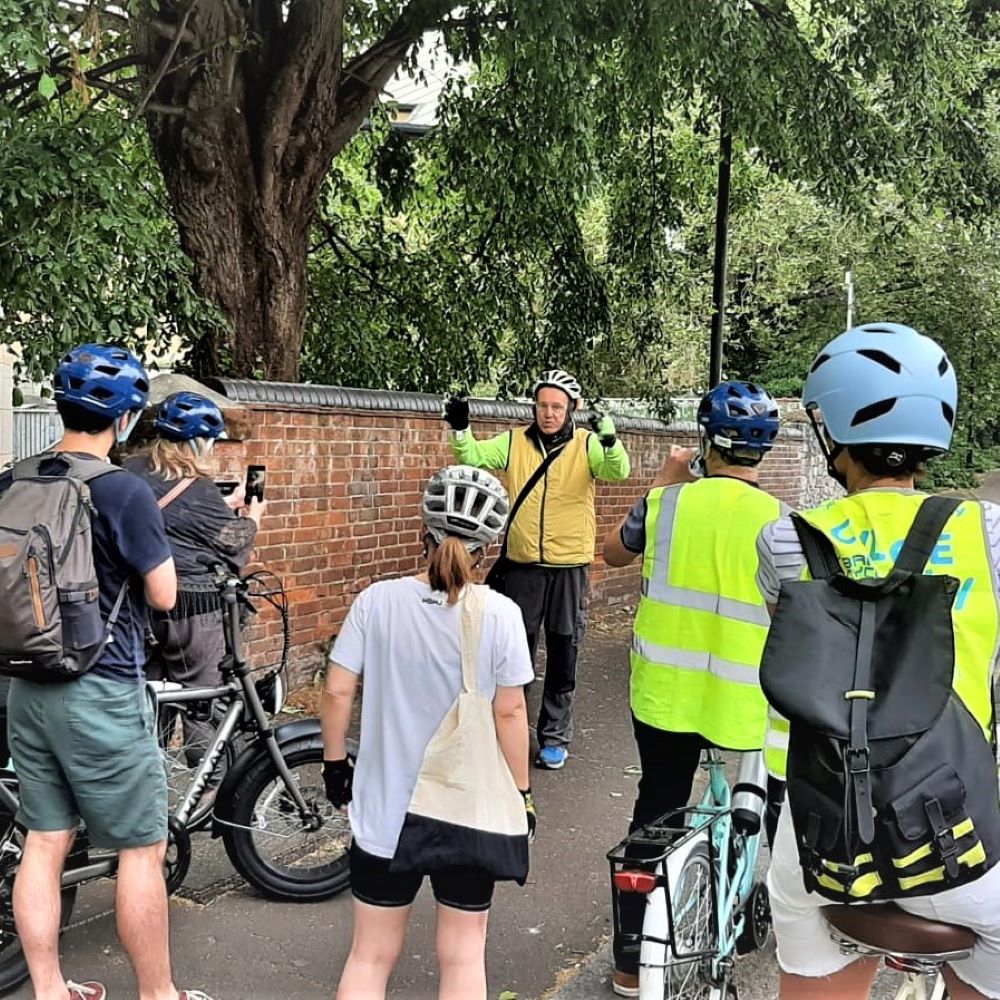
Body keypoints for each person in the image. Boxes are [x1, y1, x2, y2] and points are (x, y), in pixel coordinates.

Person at [756, 323, 1000, 1000]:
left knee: (809, 967)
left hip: (825, 836)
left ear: (832, 429)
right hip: (958, 830)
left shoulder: (785, 539)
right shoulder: (988, 531)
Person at [5, 345, 212, 1000]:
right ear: (124, 421)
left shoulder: (12, 478)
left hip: (25, 684)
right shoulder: (120, 488)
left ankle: (48, 990)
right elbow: (163, 595)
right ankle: (158, 995)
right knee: (141, 850)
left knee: (44, 840)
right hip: (100, 685)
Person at [321, 465, 535, 1000]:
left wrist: (333, 767)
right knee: (463, 954)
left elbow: (337, 691)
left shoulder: (376, 601)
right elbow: (510, 713)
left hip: (385, 812)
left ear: (424, 532)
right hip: (466, 812)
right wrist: (522, 794)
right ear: (488, 546)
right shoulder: (503, 615)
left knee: (369, 956)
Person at [603, 380, 786, 997]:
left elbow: (612, 555)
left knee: (656, 809)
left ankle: (630, 963)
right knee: (756, 801)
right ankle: (741, 910)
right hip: (745, 703)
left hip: (663, 696)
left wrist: (663, 478)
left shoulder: (667, 504)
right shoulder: (784, 525)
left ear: (707, 443)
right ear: (763, 453)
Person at [444, 369, 630, 770]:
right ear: (535, 407)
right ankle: (509, 729)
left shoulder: (587, 445)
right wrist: (461, 427)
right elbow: (472, 456)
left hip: (568, 568)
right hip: (524, 566)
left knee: (564, 652)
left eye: (557, 407)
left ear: (571, 410)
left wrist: (610, 438)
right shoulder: (514, 442)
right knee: (515, 653)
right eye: (543, 405)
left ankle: (554, 736)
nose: (549, 413)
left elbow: (618, 471)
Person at [126, 391, 264, 765]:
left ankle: (146, 779)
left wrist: (224, 506)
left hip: (139, 606)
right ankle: (208, 790)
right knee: (202, 699)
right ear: (198, 442)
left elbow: (175, 521)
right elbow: (233, 546)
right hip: (194, 611)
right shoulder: (199, 489)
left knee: (150, 700)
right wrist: (252, 516)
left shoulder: (130, 471)